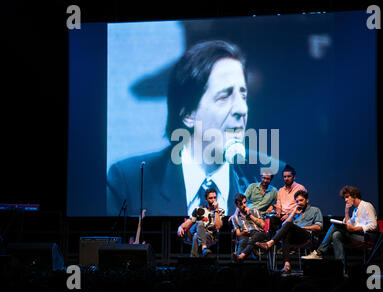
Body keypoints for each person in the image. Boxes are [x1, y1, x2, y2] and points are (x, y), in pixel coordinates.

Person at [107, 40, 283, 217]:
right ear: (188, 115)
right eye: (224, 97)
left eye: (243, 96)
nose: (241, 109)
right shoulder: (130, 181)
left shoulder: (275, 178)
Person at [302, 185, 377, 262]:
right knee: (336, 235)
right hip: (356, 235)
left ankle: (319, 252)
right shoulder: (355, 210)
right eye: (345, 198)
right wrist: (346, 211)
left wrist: (355, 229)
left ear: (354, 195)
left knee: (335, 226)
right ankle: (341, 268)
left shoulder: (366, 205)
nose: (345, 200)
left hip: (365, 236)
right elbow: (349, 224)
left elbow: (373, 225)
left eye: (347, 197)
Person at [256, 190, 323, 273]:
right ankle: (287, 265)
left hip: (308, 236)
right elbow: (285, 224)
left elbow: (319, 227)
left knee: (289, 226)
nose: (299, 203)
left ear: (307, 200)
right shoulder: (296, 212)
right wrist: (294, 212)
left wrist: (303, 228)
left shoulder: (315, 210)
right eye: (297, 201)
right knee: (287, 232)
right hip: (295, 237)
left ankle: (270, 243)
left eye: (301, 200)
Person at [177, 188, 225, 257]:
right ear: (206, 199)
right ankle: (204, 247)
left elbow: (217, 227)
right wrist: (180, 227)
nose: (213, 200)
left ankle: (193, 259)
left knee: (196, 236)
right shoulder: (199, 210)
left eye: (215, 198)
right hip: (193, 233)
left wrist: (216, 210)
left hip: (209, 236)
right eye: (210, 198)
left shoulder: (220, 211)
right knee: (199, 223)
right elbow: (189, 222)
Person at [268, 165, 307, 237]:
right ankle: (273, 244)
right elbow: (279, 205)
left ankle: (284, 245)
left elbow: (302, 206)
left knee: (287, 223)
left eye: (289, 176)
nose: (286, 178)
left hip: (295, 215)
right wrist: (278, 212)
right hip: (282, 216)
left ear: (294, 177)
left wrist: (289, 215)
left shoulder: (300, 188)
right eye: (285, 177)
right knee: (272, 219)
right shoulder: (280, 190)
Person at [230, 193, 267, 262]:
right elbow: (238, 234)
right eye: (241, 204)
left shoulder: (255, 211)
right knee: (243, 241)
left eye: (245, 203)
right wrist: (243, 232)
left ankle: (241, 255)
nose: (244, 205)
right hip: (246, 235)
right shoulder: (235, 218)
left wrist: (250, 215)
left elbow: (262, 225)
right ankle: (239, 258)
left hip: (258, 233)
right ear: (237, 205)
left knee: (252, 238)